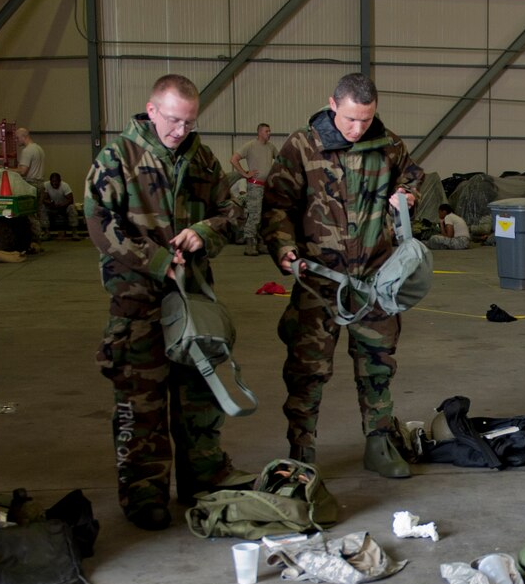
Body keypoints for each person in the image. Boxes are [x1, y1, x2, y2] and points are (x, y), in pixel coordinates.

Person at [85, 73, 240, 531]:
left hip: (192, 302)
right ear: (152, 110)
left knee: (198, 395)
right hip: (137, 304)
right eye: (174, 121)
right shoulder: (118, 158)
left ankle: (203, 479)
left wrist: (205, 232)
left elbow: (230, 210)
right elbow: (98, 222)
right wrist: (153, 260)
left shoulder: (202, 159)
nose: (181, 131)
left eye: (189, 123)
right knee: (142, 401)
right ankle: (144, 491)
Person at [263, 73, 422, 479]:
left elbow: (413, 176)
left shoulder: (388, 144)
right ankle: (301, 451)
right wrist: (284, 248)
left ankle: (379, 441)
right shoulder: (302, 146)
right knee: (307, 369)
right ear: (332, 104)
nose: (357, 128)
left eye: (366, 120)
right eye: (351, 119)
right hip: (319, 282)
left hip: (375, 280)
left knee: (378, 364)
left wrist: (407, 195)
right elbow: (277, 205)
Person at [234, 123, 278, 255]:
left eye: (269, 131)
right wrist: (245, 173)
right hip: (255, 185)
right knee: (254, 215)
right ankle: (250, 244)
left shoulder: (271, 147)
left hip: (267, 187)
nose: (269, 133)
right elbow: (234, 159)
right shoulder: (250, 145)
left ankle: (260, 242)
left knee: (264, 215)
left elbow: (280, 160)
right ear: (259, 132)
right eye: (266, 131)